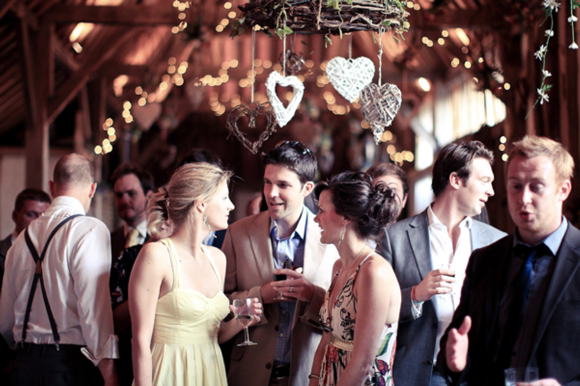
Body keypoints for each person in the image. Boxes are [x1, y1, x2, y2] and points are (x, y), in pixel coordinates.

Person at [438, 136, 578, 386]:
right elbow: (459, 342)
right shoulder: (484, 261)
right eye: (515, 186)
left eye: (536, 187)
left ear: (563, 190)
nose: (524, 198)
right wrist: (454, 362)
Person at [380, 140, 506, 386]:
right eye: (485, 181)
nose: (491, 191)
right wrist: (415, 294)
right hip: (421, 375)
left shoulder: (497, 241)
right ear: (456, 180)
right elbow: (373, 310)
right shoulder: (395, 237)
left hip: (480, 374)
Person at [129, 162, 262, 386]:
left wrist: (239, 323)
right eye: (224, 198)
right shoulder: (156, 255)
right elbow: (140, 341)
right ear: (201, 204)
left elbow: (212, 334)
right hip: (168, 373)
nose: (230, 206)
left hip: (210, 373)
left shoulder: (217, 259)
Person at [222, 140, 339, 386]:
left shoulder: (333, 238)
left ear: (307, 188)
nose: (271, 193)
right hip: (249, 372)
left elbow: (345, 314)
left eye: (283, 185)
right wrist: (259, 295)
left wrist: (311, 295)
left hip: (309, 374)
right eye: (267, 182)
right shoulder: (238, 233)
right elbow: (219, 305)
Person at [0, 153, 118, 385]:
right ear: (92, 189)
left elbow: (5, 322)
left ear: (52, 187)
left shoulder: (21, 240)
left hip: (23, 366)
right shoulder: (89, 230)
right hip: (69, 367)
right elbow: (94, 312)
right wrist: (109, 371)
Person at [308, 171, 401, 386]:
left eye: (321, 210)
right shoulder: (338, 267)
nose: (316, 218)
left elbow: (362, 364)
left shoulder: (373, 272)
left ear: (346, 217)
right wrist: (313, 381)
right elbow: (327, 339)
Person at [0, 188, 51, 291]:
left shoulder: (54, 252)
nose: (38, 221)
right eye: (31, 215)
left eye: (44, 216)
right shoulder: (2, 250)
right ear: (15, 216)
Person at [110, 163, 154, 260]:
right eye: (119, 195)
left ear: (149, 196)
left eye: (131, 193)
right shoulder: (109, 240)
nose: (124, 201)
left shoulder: (161, 238)